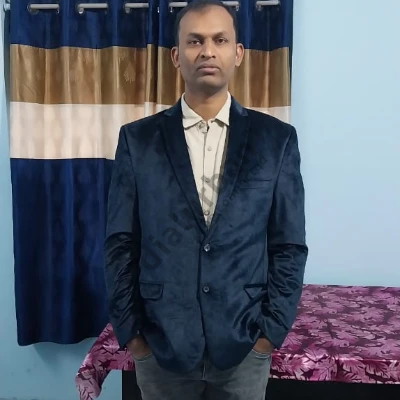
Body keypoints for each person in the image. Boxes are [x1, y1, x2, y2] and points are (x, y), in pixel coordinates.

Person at [104, 0, 308, 399]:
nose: (207, 51)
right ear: (176, 56)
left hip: (244, 346)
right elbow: (120, 243)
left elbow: (288, 245)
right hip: (161, 346)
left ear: (238, 53)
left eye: (220, 40)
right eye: (195, 41)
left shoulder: (276, 140)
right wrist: (133, 336)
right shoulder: (138, 140)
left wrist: (270, 333)